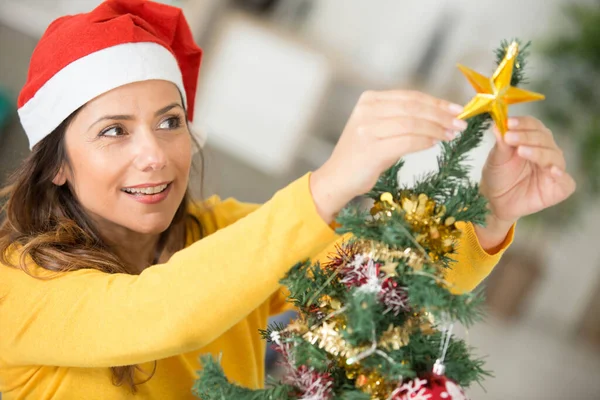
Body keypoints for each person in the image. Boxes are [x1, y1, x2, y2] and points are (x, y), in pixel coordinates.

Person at [0, 0, 575, 399]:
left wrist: (490, 210)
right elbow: (157, 314)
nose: (155, 155)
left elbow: (381, 281)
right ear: (56, 165)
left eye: (169, 121)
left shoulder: (222, 234)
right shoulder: (15, 285)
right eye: (113, 131)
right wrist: (329, 184)